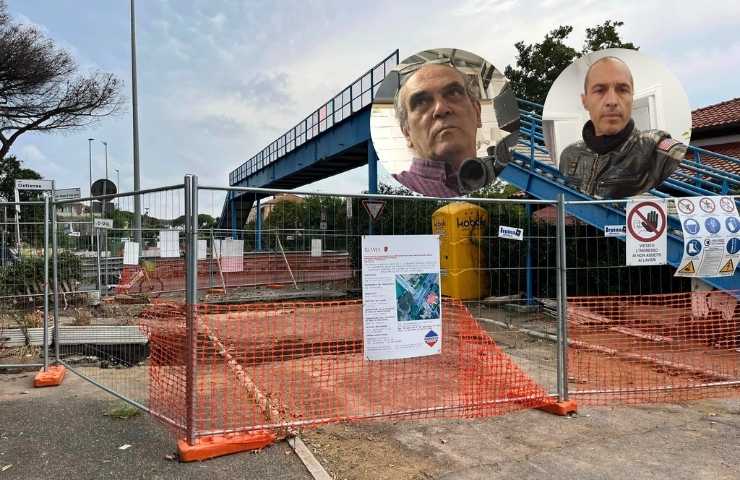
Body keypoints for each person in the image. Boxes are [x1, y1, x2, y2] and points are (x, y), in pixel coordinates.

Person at [559, 56, 687, 199]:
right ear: (585, 101)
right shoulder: (569, 155)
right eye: (600, 90)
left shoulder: (660, 154)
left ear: (632, 97)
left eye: (622, 89)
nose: (612, 101)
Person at [392, 63, 482, 197]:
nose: (440, 109)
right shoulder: (398, 191)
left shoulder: (499, 173)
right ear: (407, 132)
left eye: (453, 93)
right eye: (421, 102)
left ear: (477, 112)